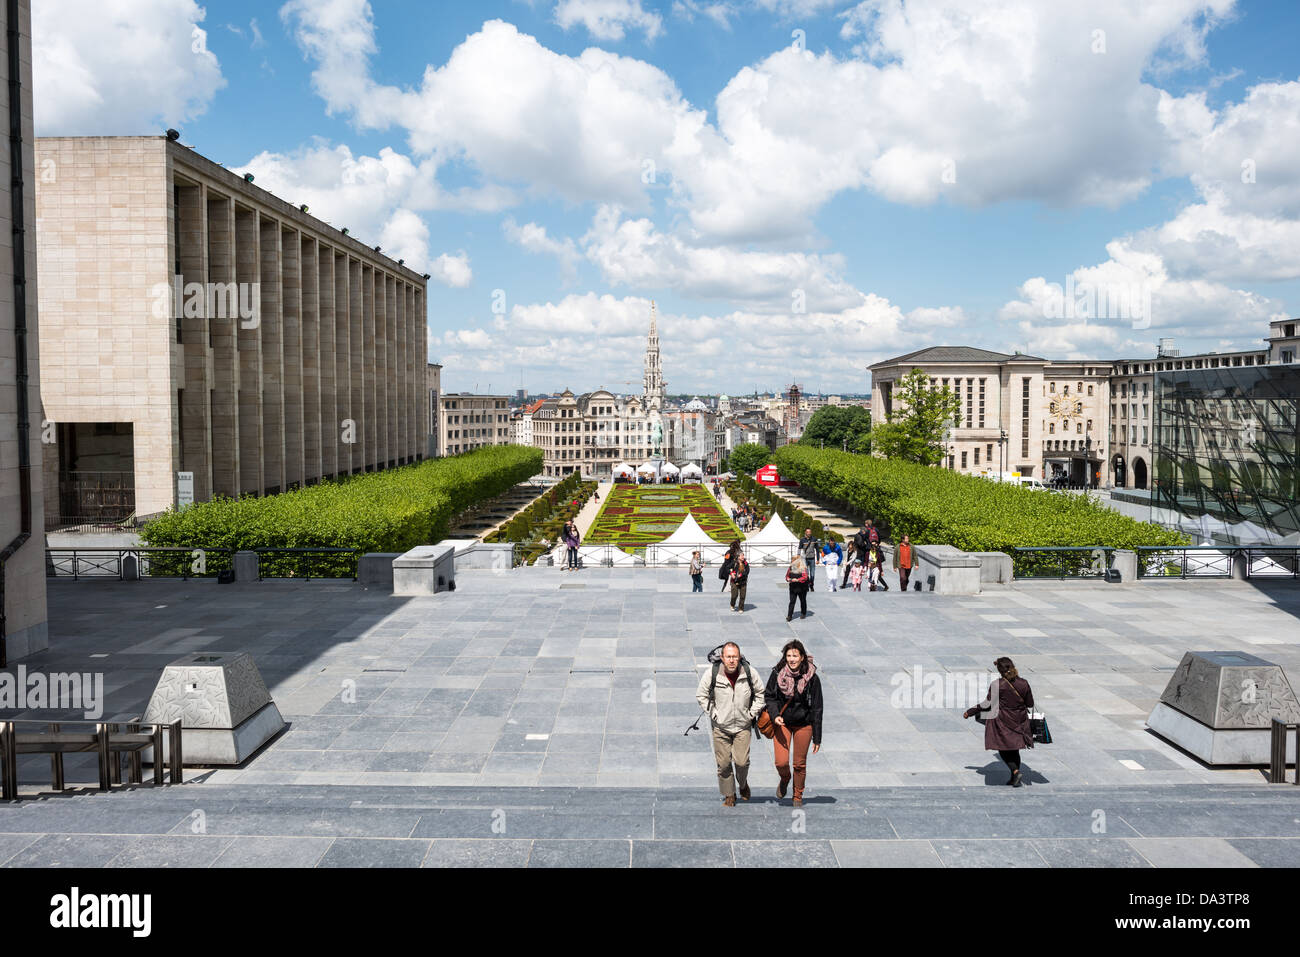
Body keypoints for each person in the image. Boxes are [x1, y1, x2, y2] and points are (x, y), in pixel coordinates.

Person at [696, 642, 765, 806]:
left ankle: (743, 784)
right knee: (724, 764)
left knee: (742, 762)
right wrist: (714, 714)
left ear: (739, 657)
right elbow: (701, 695)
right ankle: (729, 794)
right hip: (721, 727)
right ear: (722, 658)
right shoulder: (712, 673)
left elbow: (760, 693)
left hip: (742, 726)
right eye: (728, 657)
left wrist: (751, 713)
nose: (732, 660)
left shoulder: (749, 672)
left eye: (735, 657)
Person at [765, 639, 823, 807]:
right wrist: (775, 714)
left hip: (804, 724)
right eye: (788, 655)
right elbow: (769, 696)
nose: (791, 659)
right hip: (782, 723)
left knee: (799, 764)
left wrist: (817, 738)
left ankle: (797, 795)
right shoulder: (778, 673)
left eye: (795, 656)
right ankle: (785, 778)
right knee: (781, 762)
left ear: (802, 657)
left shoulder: (812, 678)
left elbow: (817, 708)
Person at [963, 657, 1034, 787]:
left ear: (999, 671)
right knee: (1014, 749)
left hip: (1003, 721)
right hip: (1020, 720)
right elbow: (1030, 703)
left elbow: (987, 703)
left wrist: (970, 711)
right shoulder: (1024, 683)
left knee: (1003, 748)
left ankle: (1015, 771)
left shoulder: (997, 685)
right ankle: (1014, 778)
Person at [785, 554, 809, 621]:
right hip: (793, 587)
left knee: (802, 600)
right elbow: (787, 576)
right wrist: (789, 579)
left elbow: (805, 577)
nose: (792, 560)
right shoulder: (790, 567)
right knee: (792, 601)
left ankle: (803, 613)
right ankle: (789, 615)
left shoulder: (803, 567)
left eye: (793, 559)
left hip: (802, 587)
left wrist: (797, 580)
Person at [728, 547, 750, 613]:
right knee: (734, 595)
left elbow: (747, 572)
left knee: (742, 596)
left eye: (743, 555)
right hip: (734, 582)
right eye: (741, 555)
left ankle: (741, 608)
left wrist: (741, 575)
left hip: (743, 581)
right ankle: (732, 604)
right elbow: (727, 568)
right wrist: (731, 573)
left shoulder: (745, 563)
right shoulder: (734, 563)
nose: (743, 556)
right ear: (738, 557)